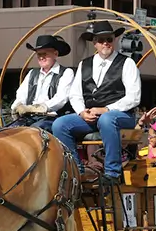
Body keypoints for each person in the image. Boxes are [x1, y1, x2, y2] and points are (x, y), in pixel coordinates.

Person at [52, 20, 141, 184]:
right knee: (60, 124)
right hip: (91, 116)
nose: (105, 43)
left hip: (121, 115)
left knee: (107, 119)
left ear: (114, 40)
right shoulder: (84, 64)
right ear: (95, 43)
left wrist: (107, 109)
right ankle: (76, 171)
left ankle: (113, 173)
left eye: (109, 39)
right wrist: (82, 112)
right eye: (101, 40)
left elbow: (134, 97)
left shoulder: (127, 63)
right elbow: (75, 94)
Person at [10, 35, 75, 133]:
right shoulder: (32, 73)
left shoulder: (66, 72)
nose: (41, 57)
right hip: (28, 117)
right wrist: (17, 106)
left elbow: (61, 99)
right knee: (8, 132)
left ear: (55, 54)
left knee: (33, 132)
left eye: (44, 54)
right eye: (38, 54)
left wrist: (37, 108)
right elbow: (21, 94)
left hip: (52, 118)